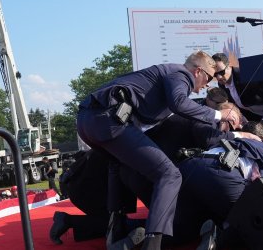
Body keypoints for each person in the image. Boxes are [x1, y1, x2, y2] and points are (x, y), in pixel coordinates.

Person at [76, 50, 222, 250]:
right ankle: (152, 244)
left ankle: (115, 226)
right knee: (170, 175)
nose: (207, 86)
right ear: (198, 72)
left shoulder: (163, 76)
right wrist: (218, 115)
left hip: (88, 121)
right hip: (110, 119)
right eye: (209, 78)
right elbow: (179, 103)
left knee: (118, 164)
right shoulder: (181, 74)